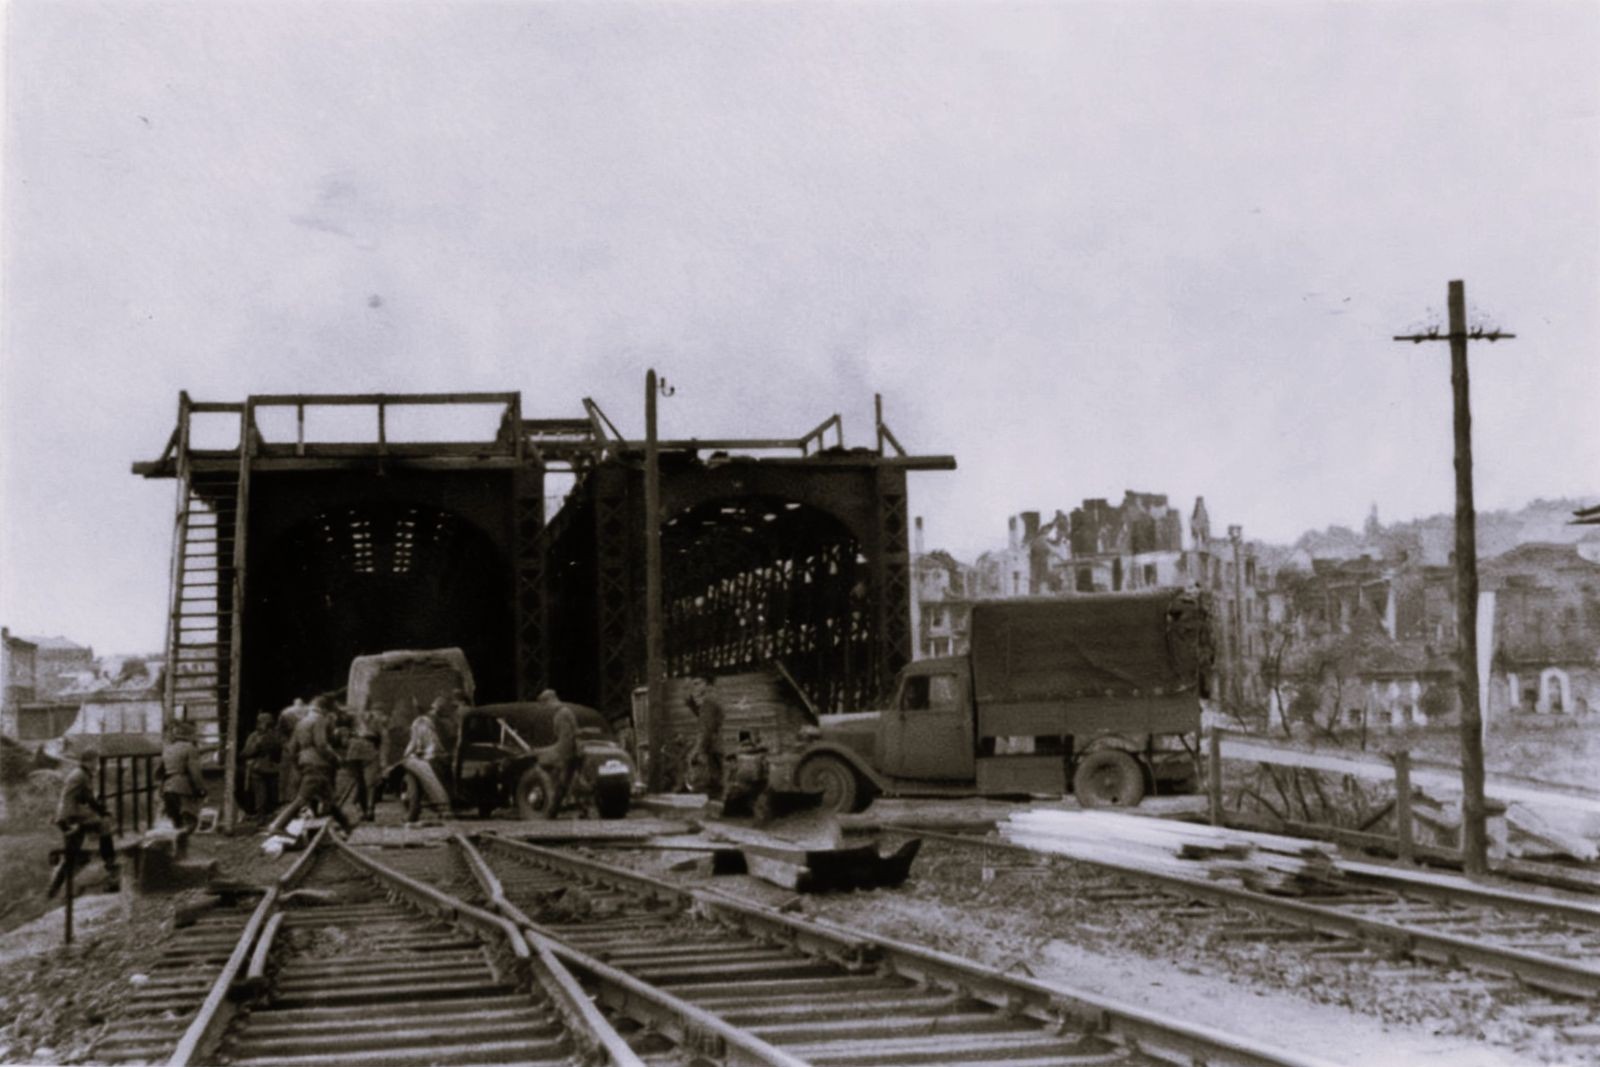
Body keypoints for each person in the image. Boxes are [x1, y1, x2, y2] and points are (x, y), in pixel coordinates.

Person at [267, 696, 352, 835]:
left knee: (328, 798)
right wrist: (335, 758)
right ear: (324, 709)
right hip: (317, 763)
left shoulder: (301, 722)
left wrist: (299, 764)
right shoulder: (319, 719)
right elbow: (321, 744)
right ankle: (278, 825)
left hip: (306, 762)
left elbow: (291, 748)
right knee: (303, 798)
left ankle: (346, 825)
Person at [50, 747, 119, 896]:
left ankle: (54, 890)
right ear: (90, 761)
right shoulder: (82, 775)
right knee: (103, 825)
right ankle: (110, 864)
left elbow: (81, 797)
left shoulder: (79, 773)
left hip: (67, 815)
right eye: (96, 761)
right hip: (72, 817)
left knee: (72, 855)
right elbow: (89, 799)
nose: (97, 764)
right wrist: (103, 811)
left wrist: (99, 810)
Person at [532, 689, 582, 817]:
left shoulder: (561, 715)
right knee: (563, 783)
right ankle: (554, 810)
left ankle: (548, 809)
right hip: (571, 752)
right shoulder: (566, 712)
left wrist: (549, 752)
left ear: (548, 701)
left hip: (566, 754)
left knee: (541, 767)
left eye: (544, 704)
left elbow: (566, 741)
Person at [401, 698, 452, 822]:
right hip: (442, 755)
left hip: (432, 756)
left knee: (413, 764)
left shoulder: (420, 722)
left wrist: (408, 754)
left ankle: (441, 804)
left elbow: (417, 742)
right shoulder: (444, 722)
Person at [161, 718, 207, 834]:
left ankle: (178, 841)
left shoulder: (168, 749)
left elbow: (159, 771)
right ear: (190, 735)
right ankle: (183, 839)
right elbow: (195, 772)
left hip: (167, 788)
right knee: (191, 822)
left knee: (176, 824)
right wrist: (201, 788)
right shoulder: (189, 748)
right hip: (183, 788)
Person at [340, 705, 384, 822]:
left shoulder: (352, 718)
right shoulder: (374, 720)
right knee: (368, 783)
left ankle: (366, 810)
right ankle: (368, 810)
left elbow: (344, 742)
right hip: (366, 751)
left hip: (357, 752)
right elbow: (383, 738)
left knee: (363, 783)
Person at [687, 674, 726, 799]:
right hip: (715, 745)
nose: (694, 687)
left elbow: (705, 730)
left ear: (706, 684)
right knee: (716, 779)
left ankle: (714, 803)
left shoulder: (708, 703)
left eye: (697, 683)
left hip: (712, 746)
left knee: (711, 780)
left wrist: (696, 750)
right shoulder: (712, 700)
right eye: (693, 684)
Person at [241, 712, 282, 823]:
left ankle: (272, 816)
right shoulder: (254, 736)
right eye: (263, 723)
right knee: (260, 795)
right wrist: (257, 745)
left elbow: (281, 750)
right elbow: (246, 753)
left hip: (273, 769)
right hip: (258, 769)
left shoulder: (276, 735)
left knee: (274, 795)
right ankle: (261, 816)